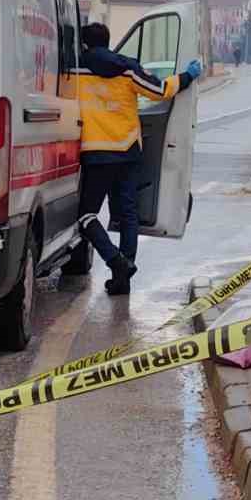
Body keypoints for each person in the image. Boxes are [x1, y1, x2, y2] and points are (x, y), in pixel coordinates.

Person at [62, 22, 203, 295]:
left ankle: (116, 261)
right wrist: (188, 75)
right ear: (108, 41)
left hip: (96, 154)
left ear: (85, 44)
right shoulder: (126, 69)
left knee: (87, 215)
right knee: (128, 214)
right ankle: (123, 277)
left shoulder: (74, 70)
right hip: (127, 151)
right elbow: (161, 90)